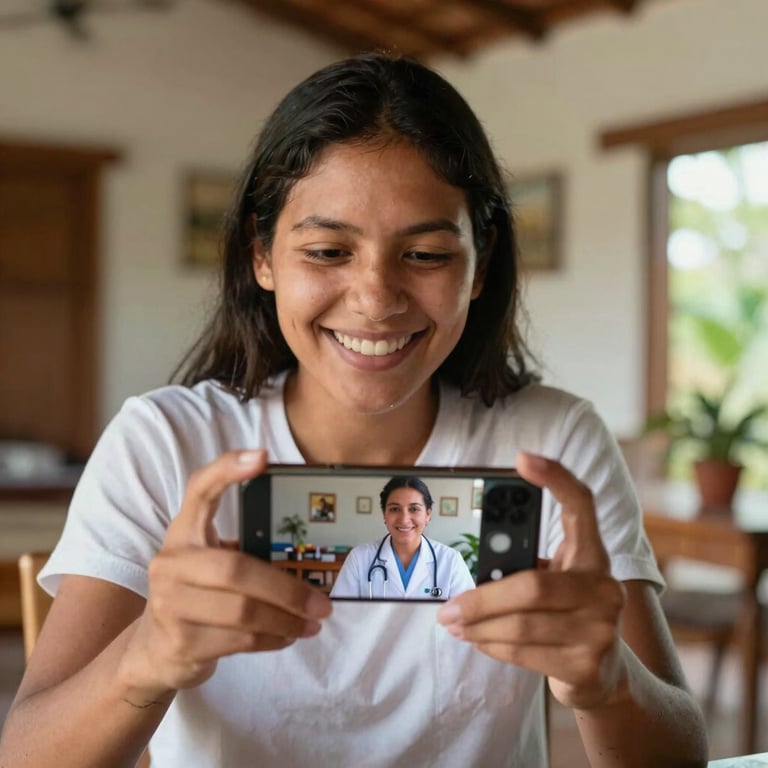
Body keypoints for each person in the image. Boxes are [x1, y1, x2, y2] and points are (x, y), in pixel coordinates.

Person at [0, 53, 708, 768]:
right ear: (263, 255)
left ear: (481, 264)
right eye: (329, 250)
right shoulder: (165, 444)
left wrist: (606, 682)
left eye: (426, 254)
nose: (374, 297)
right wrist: (146, 657)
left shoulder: (553, 444)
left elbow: (678, 753)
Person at [330, 476, 475, 599]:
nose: (404, 519)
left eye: (414, 509)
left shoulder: (451, 561)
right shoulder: (359, 558)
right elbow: (339, 616)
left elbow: (469, 619)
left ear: (428, 514)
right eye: (395, 509)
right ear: (384, 514)